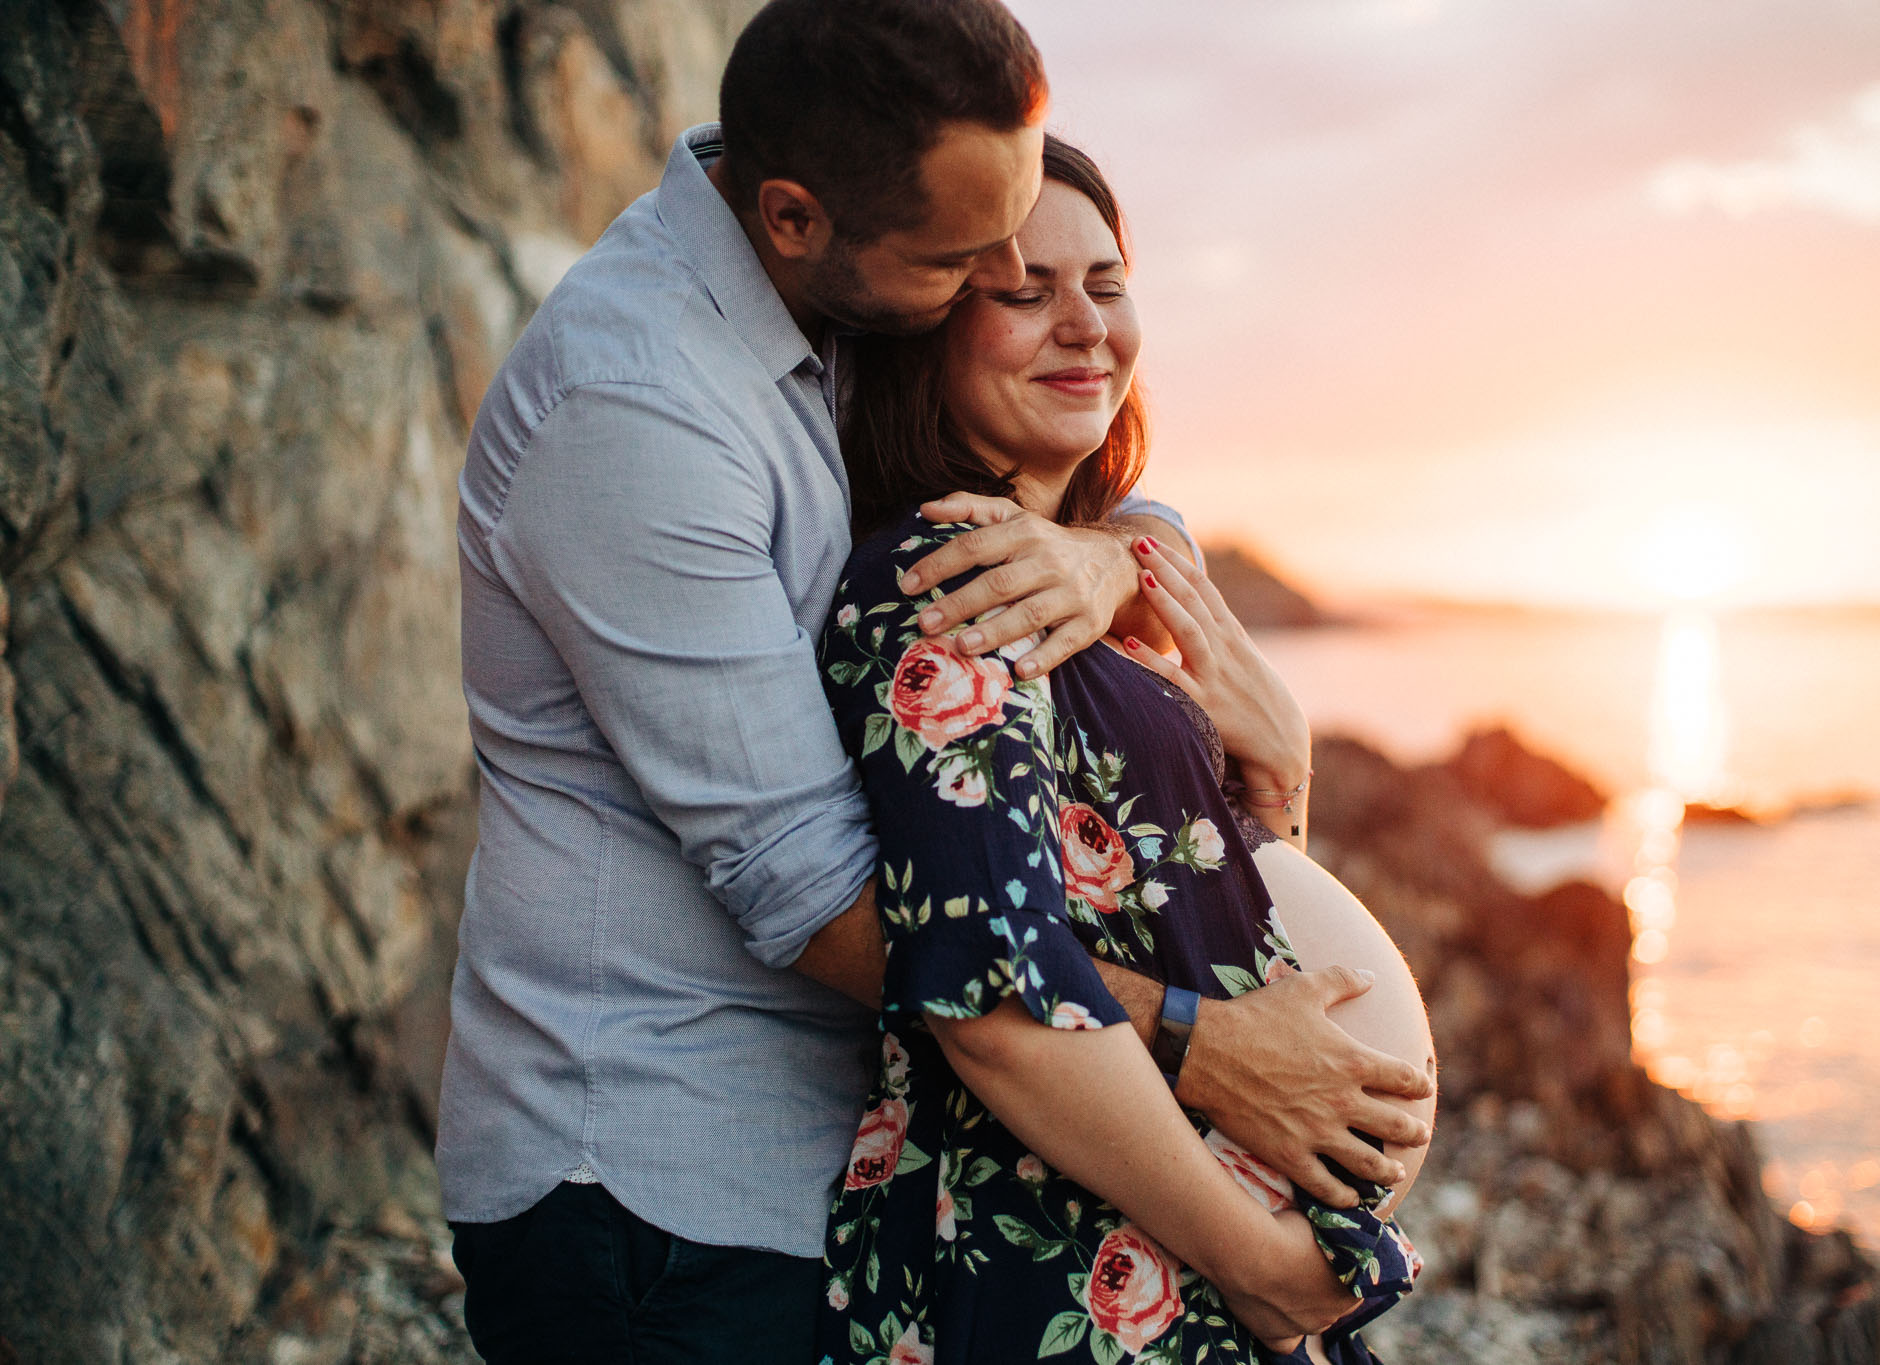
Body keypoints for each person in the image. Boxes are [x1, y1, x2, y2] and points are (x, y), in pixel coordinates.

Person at [437, 1, 1431, 1361]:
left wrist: (1112, 564)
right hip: (658, 1186)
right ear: (796, 220)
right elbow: (831, 901)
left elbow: (1069, 453)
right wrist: (1206, 1051)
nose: (1014, 291)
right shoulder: (642, 411)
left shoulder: (834, 300)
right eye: (983, 270)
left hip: (849, 1164)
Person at [813, 137, 1430, 1365]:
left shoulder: (1103, 584)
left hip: (1173, 1250)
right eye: (1023, 290)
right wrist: (1260, 1265)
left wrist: (1279, 771)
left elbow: (1189, 906)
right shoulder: (950, 581)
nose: (1083, 325)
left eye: (1103, 282)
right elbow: (986, 997)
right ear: (928, 326)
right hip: (1071, 1270)